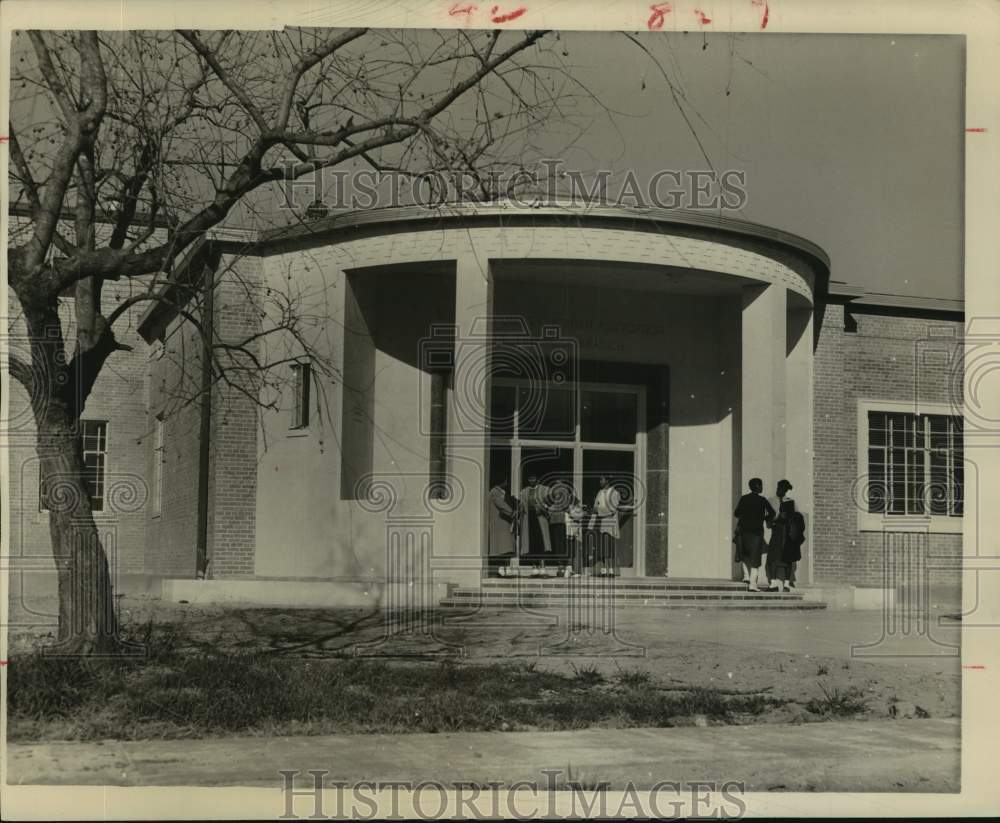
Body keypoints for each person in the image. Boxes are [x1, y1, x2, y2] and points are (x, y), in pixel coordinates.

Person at [733, 477, 776, 591]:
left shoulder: (744, 499)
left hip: (744, 531)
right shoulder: (762, 500)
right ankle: (752, 584)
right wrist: (762, 517)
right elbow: (772, 513)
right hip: (756, 532)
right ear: (758, 487)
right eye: (761, 485)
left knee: (745, 555)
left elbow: (736, 513)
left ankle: (746, 577)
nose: (762, 487)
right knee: (755, 558)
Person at [765, 479, 803, 593]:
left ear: (786, 490)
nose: (780, 490)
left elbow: (797, 518)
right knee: (772, 557)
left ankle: (786, 584)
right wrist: (776, 518)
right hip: (776, 532)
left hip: (787, 533)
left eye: (783, 489)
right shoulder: (771, 501)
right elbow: (768, 519)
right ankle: (773, 584)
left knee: (788, 558)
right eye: (779, 488)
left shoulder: (791, 502)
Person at [590, 474, 621, 576]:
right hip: (601, 524)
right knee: (603, 547)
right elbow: (595, 507)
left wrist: (599, 510)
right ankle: (604, 570)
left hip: (610, 523)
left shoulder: (614, 493)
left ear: (607, 481)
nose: (600, 482)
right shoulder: (600, 493)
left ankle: (611, 570)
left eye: (601, 480)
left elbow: (612, 509)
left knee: (609, 547)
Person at [519, 474, 553, 554]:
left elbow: (550, 501)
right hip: (529, 516)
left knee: (541, 537)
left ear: (537, 479)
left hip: (540, 515)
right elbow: (522, 505)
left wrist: (543, 508)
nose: (531, 480)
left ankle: (542, 556)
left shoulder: (544, 489)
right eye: (530, 478)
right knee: (530, 537)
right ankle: (531, 556)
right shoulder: (524, 491)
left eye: (533, 478)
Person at [487, 480, 517, 557]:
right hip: (499, 521)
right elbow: (501, 504)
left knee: (504, 546)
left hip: (503, 521)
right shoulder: (495, 491)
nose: (507, 484)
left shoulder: (500, 492)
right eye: (506, 481)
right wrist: (512, 512)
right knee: (502, 546)